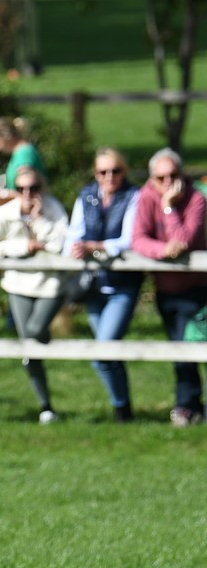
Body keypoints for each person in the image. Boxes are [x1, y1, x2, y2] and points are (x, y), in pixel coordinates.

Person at [0, 166, 69, 423]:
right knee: (29, 347)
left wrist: (39, 220)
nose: (28, 193)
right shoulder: (4, 213)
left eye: (33, 188)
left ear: (42, 188)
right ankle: (46, 406)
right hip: (17, 285)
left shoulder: (54, 210)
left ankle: (49, 350)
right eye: (21, 188)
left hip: (50, 285)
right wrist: (23, 246)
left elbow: (61, 245)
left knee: (35, 331)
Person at [63, 147, 141, 422]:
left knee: (102, 350)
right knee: (107, 352)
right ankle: (124, 410)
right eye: (103, 172)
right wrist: (75, 247)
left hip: (122, 285)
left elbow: (129, 240)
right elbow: (73, 234)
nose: (109, 177)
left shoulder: (134, 196)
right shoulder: (86, 196)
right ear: (95, 174)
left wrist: (94, 246)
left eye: (115, 171)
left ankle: (121, 407)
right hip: (93, 285)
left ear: (123, 171)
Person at [131, 147, 207, 427]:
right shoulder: (145, 196)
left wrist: (168, 207)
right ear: (151, 178)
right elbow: (138, 238)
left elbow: (185, 239)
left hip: (199, 289)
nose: (167, 182)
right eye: (160, 177)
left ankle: (187, 405)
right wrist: (163, 251)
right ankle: (188, 406)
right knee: (179, 350)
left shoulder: (196, 198)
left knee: (195, 346)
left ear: (182, 174)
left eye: (173, 175)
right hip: (166, 290)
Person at [0, 116, 47, 190]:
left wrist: (3, 194)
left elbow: (26, 189)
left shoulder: (24, 154)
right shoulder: (19, 153)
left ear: (5, 136)